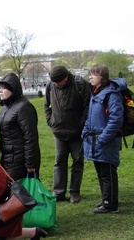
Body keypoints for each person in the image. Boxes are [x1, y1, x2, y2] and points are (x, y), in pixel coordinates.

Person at [82, 64, 127, 214]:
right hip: (95, 141)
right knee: (101, 173)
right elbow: (90, 117)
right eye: (90, 74)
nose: (90, 77)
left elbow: (116, 120)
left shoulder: (112, 94)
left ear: (102, 77)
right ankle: (106, 199)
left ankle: (110, 204)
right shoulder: (95, 93)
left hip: (106, 142)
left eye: (93, 75)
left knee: (107, 173)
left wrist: (103, 139)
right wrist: (85, 132)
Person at [44, 66, 91, 204]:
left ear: (66, 77)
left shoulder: (79, 84)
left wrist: (81, 124)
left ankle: (74, 192)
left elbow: (88, 106)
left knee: (77, 162)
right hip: (59, 132)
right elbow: (46, 105)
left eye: (59, 82)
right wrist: (50, 121)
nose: (57, 85)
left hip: (77, 133)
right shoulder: (51, 85)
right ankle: (58, 192)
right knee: (59, 162)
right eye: (54, 82)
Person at [0, 73, 41, 181]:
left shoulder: (24, 107)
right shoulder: (5, 107)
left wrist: (30, 164)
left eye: (4, 88)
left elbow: (30, 137)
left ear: (13, 89)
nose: (0, 91)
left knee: (20, 194)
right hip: (7, 158)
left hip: (19, 160)